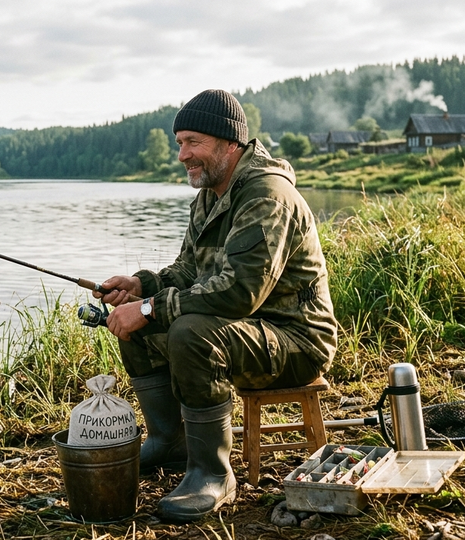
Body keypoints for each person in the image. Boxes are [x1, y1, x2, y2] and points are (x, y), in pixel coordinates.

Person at [94, 89, 338, 522]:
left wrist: (150, 308)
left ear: (230, 143)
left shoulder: (267, 195)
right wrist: (140, 286)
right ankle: (171, 442)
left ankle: (213, 473)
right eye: (180, 143)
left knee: (188, 332)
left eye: (194, 142)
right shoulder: (210, 192)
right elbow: (189, 270)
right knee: (132, 318)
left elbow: (240, 292)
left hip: (297, 339)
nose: (184, 154)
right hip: (247, 329)